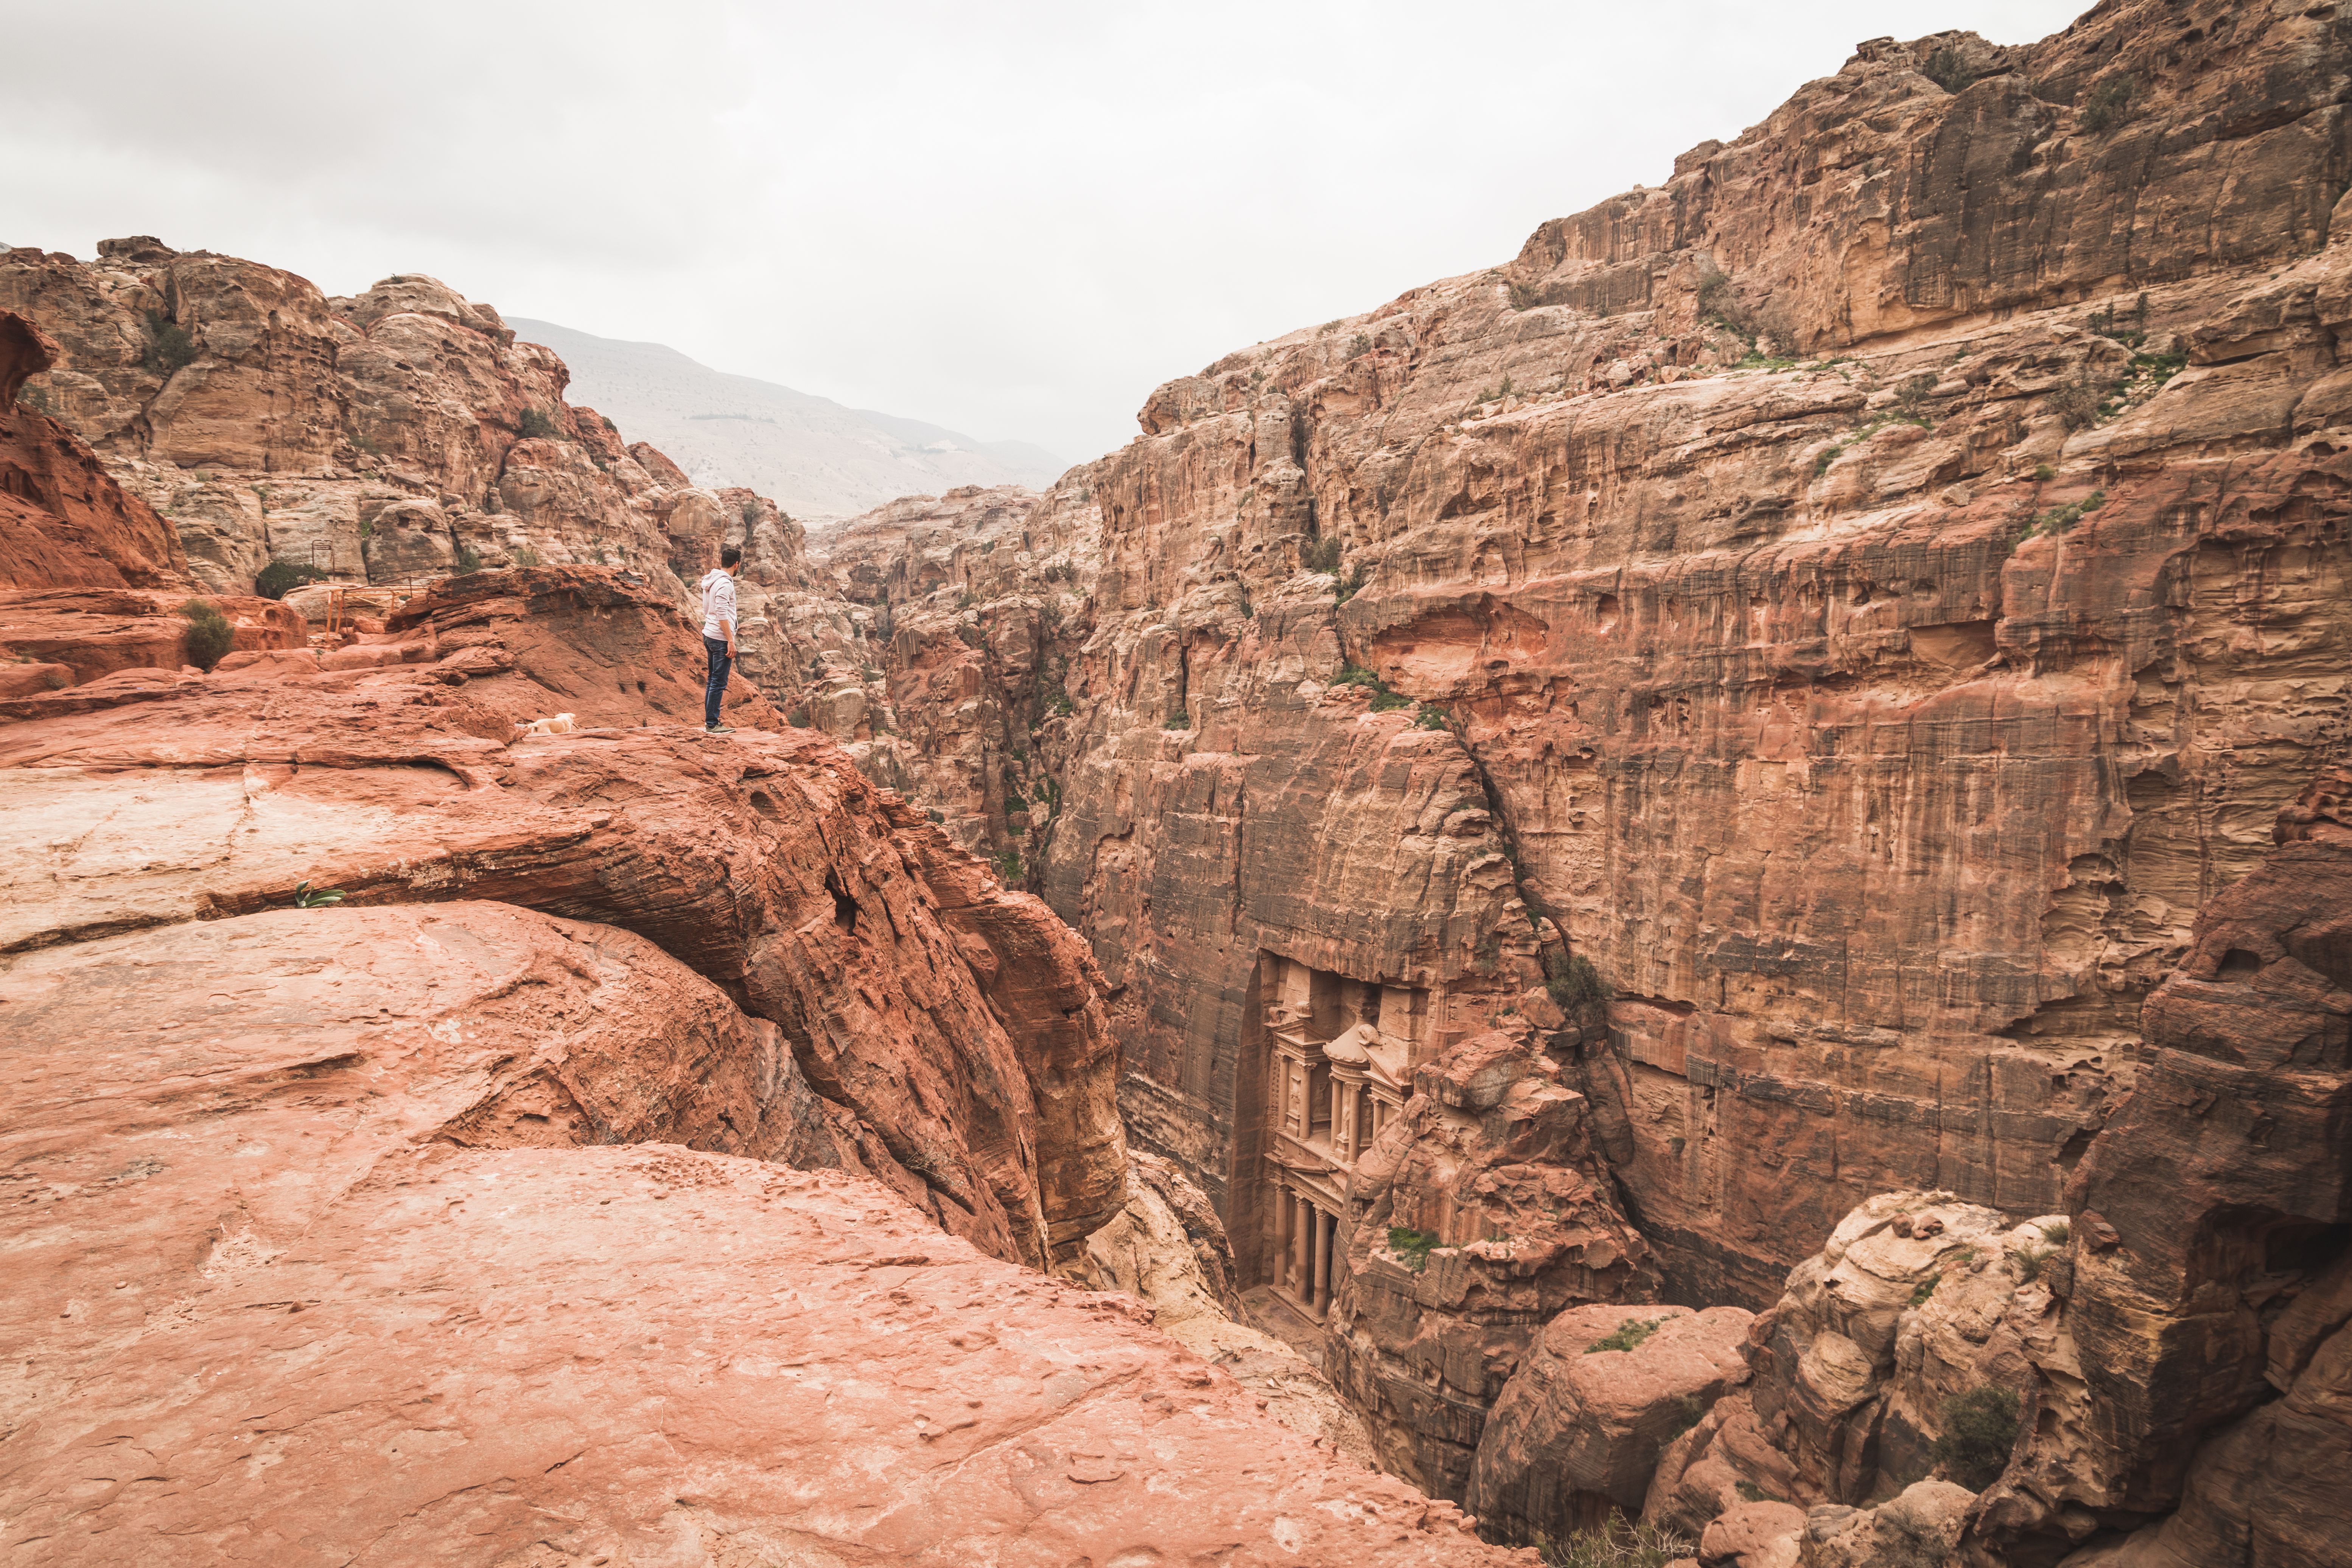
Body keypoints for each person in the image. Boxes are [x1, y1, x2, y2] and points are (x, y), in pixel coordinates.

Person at [699, 547, 742, 733]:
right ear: (736, 564)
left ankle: (710, 721)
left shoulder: (712, 580)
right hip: (719, 638)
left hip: (709, 634)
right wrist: (730, 640)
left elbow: (708, 608)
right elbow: (721, 612)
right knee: (718, 682)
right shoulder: (725, 584)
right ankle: (712, 724)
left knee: (712, 680)